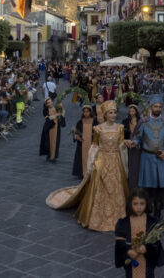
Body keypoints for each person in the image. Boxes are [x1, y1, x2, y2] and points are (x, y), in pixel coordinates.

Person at [46, 100, 128, 232]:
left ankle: (118, 215)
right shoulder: (99, 129)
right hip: (102, 160)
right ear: (105, 115)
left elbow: (121, 145)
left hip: (116, 161)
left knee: (116, 187)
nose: (113, 115)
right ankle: (97, 216)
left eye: (115, 112)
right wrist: (92, 161)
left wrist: (126, 146)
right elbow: (95, 146)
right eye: (110, 113)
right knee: (100, 187)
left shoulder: (120, 128)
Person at [126, 94, 164, 218]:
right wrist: (133, 142)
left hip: (163, 159)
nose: (158, 109)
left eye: (160, 107)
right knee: (148, 186)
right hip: (147, 158)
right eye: (156, 106)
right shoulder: (144, 122)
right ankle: (148, 207)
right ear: (151, 107)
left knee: (161, 186)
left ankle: (158, 209)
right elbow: (138, 138)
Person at [114, 188, 164, 278]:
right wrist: (128, 251)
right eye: (135, 204)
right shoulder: (123, 223)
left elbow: (156, 243)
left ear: (146, 204)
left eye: (142, 204)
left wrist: (146, 248)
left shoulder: (152, 222)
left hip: (147, 260)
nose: (139, 207)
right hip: (131, 258)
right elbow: (120, 243)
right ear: (130, 204)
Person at [71, 105, 96, 178]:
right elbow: (76, 132)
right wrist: (77, 137)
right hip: (82, 143)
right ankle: (81, 173)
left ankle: (91, 172)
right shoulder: (80, 122)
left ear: (90, 112)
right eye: (84, 112)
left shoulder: (94, 121)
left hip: (91, 142)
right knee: (81, 157)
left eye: (87, 112)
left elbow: (97, 131)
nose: (86, 113)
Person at [39, 99, 64, 163]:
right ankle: (49, 155)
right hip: (49, 127)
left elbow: (62, 114)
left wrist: (61, 109)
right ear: (46, 104)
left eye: (51, 102)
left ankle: (53, 156)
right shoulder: (45, 110)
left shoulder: (56, 108)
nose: (51, 103)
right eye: (49, 103)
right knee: (49, 142)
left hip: (56, 127)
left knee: (55, 141)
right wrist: (56, 115)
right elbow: (48, 118)